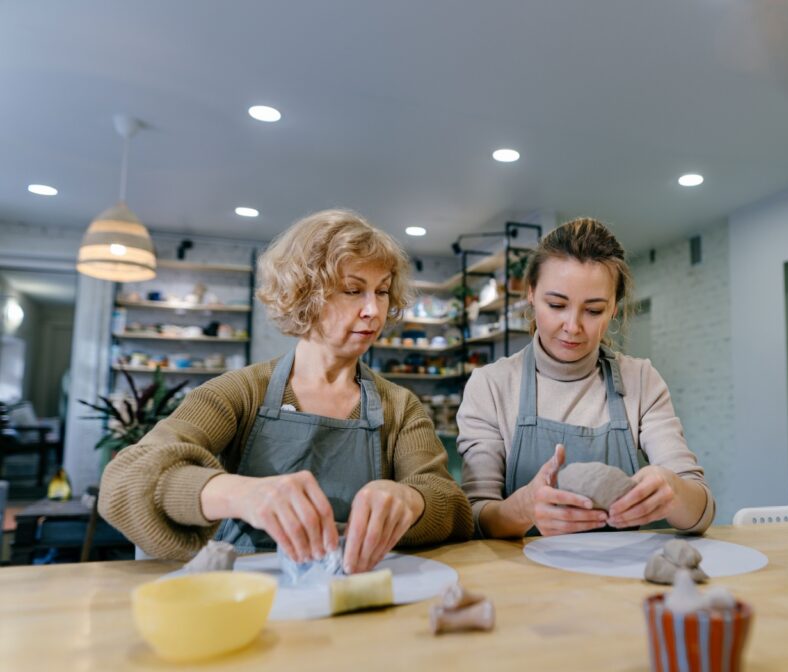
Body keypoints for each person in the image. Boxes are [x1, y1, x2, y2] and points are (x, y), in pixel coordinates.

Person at [100, 209, 473, 571]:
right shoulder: (240, 392)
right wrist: (243, 494)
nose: (373, 310)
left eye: (382, 291)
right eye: (352, 290)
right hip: (248, 603)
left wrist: (413, 498)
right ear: (304, 294)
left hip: (353, 596)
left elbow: (452, 506)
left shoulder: (399, 406)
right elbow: (126, 479)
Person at [456, 218, 714, 538]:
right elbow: (475, 515)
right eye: (556, 305)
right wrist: (522, 509)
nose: (573, 326)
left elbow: (701, 513)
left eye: (593, 310)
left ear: (613, 310)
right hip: (522, 579)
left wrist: (672, 490)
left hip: (618, 577)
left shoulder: (640, 379)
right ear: (531, 295)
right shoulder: (491, 386)